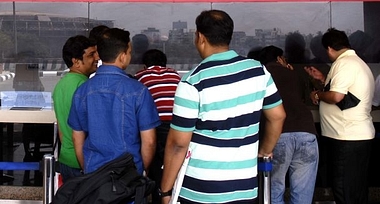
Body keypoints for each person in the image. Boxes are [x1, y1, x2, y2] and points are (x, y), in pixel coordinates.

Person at [160, 10, 286, 204]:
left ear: (200, 37)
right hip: (245, 189)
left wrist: (165, 191)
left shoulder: (193, 82)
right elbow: (278, 116)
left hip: (200, 190)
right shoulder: (258, 71)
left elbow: (178, 144)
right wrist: (264, 151)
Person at [68, 27, 160, 175]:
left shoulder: (82, 91)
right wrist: (142, 171)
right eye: (129, 53)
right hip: (129, 175)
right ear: (122, 56)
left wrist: (87, 169)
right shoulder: (138, 91)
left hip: (94, 175)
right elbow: (149, 141)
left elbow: (77, 137)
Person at [305, 28, 375, 204]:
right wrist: (323, 79)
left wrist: (317, 95)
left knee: (344, 189)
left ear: (329, 49)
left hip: (347, 137)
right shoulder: (355, 62)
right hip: (355, 136)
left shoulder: (344, 64)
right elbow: (347, 92)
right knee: (355, 189)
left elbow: (337, 96)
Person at [258, 45, 319, 204]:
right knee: (302, 194)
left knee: (274, 190)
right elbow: (306, 98)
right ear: (279, 59)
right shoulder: (294, 73)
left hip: (278, 135)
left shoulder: (260, 75)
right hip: (307, 133)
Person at [134, 49, 181, 203]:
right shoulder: (175, 74)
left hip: (156, 127)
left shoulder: (140, 76)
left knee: (155, 170)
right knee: (173, 169)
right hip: (176, 128)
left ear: (144, 64)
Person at [52, 35, 99, 180]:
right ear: (76, 61)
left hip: (66, 158)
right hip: (83, 161)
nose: (97, 58)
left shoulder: (60, 85)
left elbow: (61, 129)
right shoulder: (85, 87)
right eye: (91, 54)